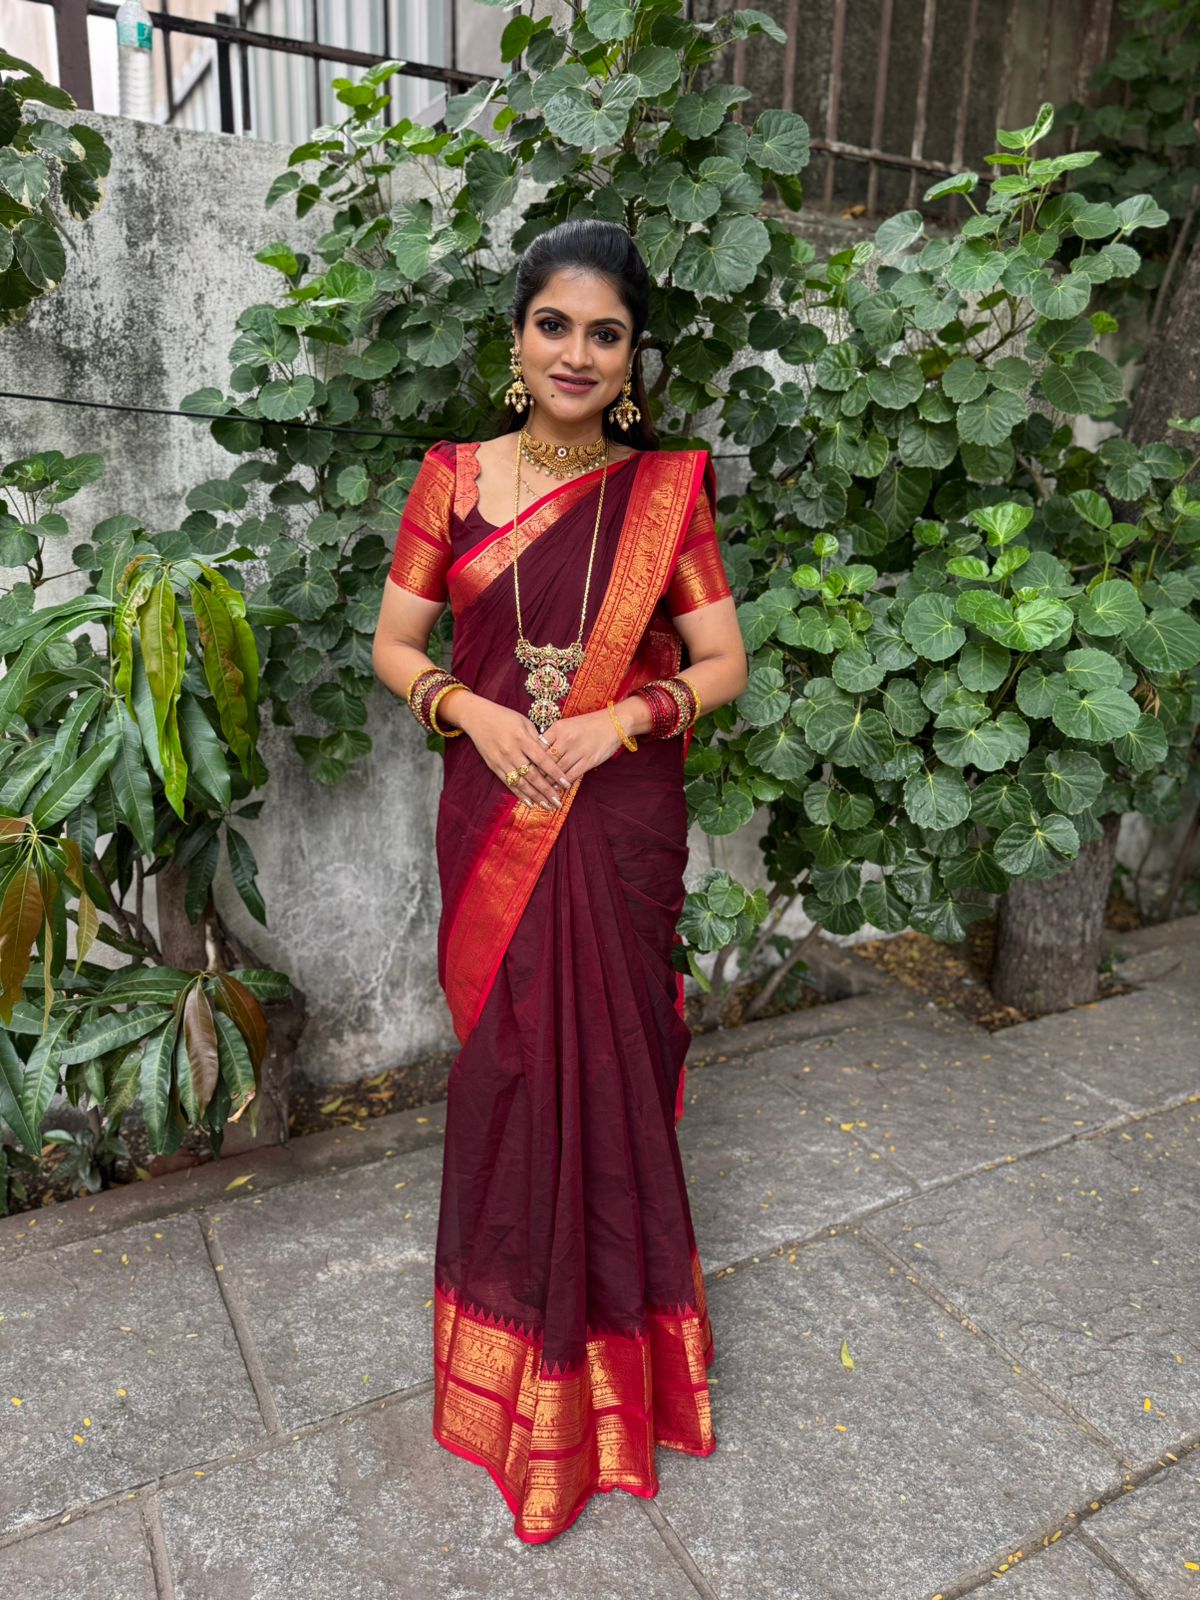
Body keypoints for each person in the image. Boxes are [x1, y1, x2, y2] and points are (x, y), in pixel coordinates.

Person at [372, 218, 748, 1544]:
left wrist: (624, 719)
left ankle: (623, 1389)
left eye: (606, 333)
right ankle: (511, 1386)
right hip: (496, 814)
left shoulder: (667, 495)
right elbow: (395, 644)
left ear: (633, 358)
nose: (577, 353)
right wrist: (473, 713)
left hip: (617, 817)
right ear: (517, 338)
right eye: (555, 326)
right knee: (514, 1076)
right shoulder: (451, 480)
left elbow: (722, 663)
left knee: (615, 1081)